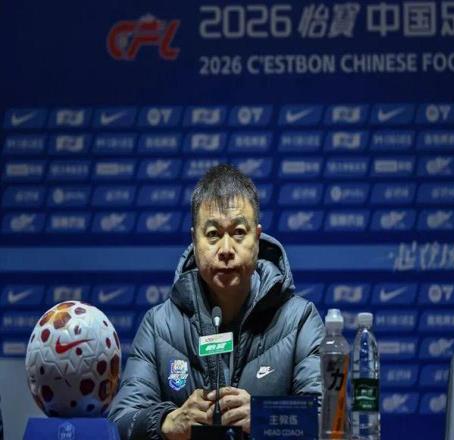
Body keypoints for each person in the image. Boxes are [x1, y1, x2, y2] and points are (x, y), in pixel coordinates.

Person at [108, 164, 324, 439]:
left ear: (257, 238)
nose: (226, 249)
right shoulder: (159, 325)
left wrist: (265, 417)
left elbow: (329, 419)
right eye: (212, 234)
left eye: (238, 232)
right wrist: (167, 422)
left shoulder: (299, 320)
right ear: (194, 240)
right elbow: (119, 423)